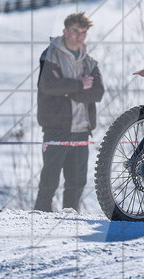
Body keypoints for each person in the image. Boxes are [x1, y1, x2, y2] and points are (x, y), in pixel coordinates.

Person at [34, 13, 105, 212]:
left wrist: (68, 91)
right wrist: (80, 85)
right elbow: (48, 86)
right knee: (49, 182)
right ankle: (38, 218)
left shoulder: (89, 62)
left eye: (83, 32)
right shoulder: (51, 56)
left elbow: (97, 92)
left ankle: (70, 220)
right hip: (56, 128)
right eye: (75, 31)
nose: (79, 36)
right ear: (65, 31)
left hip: (82, 130)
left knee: (76, 183)